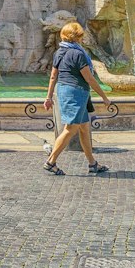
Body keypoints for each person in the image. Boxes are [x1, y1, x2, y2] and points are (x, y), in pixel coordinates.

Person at [42, 21, 116, 175]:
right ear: (76, 37)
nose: (82, 39)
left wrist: (49, 97)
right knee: (70, 129)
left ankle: (92, 164)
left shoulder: (59, 52)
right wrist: (104, 97)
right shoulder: (78, 54)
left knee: (84, 127)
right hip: (75, 93)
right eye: (80, 36)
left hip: (65, 90)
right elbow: (89, 78)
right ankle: (51, 161)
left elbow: (53, 76)